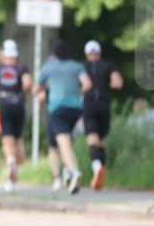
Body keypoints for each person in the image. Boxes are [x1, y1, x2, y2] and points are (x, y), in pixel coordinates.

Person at [33, 39, 92, 195]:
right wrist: (77, 93)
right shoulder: (77, 66)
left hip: (57, 109)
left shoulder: (48, 67)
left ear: (54, 54)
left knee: (62, 142)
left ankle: (73, 172)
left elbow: (35, 90)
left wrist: (44, 90)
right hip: (75, 109)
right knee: (60, 143)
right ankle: (64, 174)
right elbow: (87, 85)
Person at [0, 39, 32, 192]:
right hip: (18, 106)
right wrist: (25, 94)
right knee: (19, 140)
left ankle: (10, 161)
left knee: (6, 140)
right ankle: (16, 166)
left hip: (3, 105)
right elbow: (27, 84)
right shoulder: (22, 68)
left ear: (2, 53)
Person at [82, 40, 123, 190]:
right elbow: (117, 83)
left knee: (92, 139)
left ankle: (97, 166)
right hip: (104, 105)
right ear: (99, 53)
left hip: (89, 104)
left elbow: (79, 85)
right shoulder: (108, 65)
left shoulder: (82, 67)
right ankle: (101, 173)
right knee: (102, 140)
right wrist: (107, 85)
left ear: (87, 53)